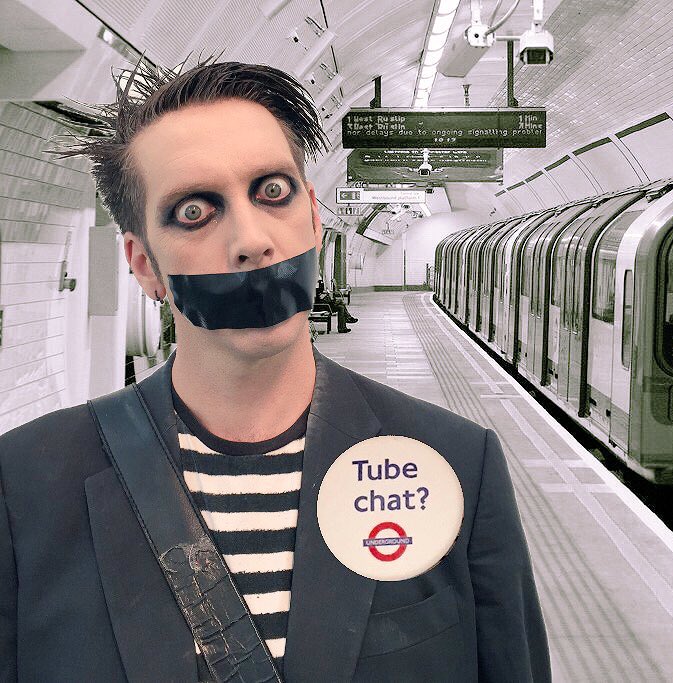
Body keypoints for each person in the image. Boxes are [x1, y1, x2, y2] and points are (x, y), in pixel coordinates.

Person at [0, 59, 549, 681]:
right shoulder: (27, 488)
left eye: (272, 192)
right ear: (145, 265)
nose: (252, 240)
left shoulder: (455, 465)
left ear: (313, 217)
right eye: (194, 212)